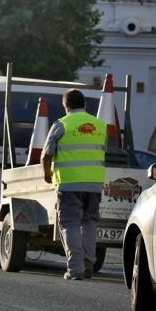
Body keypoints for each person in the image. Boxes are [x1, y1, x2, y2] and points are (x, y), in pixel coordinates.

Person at [41, 89, 107, 280]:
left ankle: (75, 268)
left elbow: (46, 154)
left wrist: (47, 173)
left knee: (70, 224)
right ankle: (88, 263)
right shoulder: (100, 126)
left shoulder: (61, 125)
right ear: (84, 104)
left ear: (65, 106)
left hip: (69, 184)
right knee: (89, 222)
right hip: (94, 184)